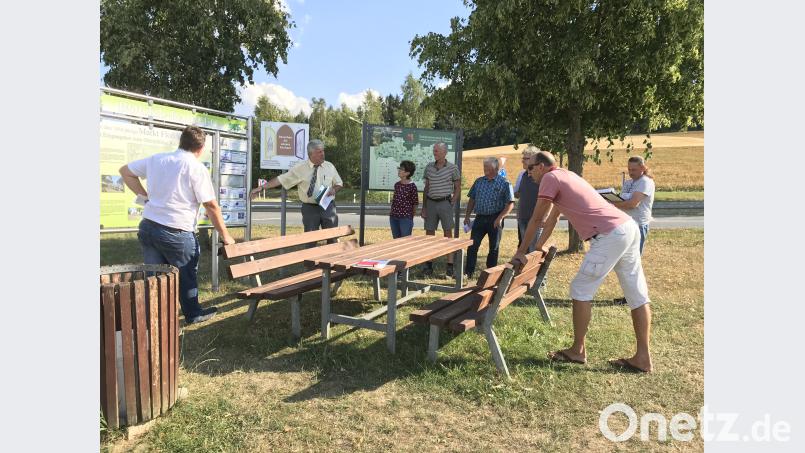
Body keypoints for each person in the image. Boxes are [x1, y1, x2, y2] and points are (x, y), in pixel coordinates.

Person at [512, 151, 653, 373]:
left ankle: (577, 351)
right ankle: (643, 358)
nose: (528, 174)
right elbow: (553, 219)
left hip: (609, 235)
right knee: (636, 294)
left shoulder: (550, 178)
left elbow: (537, 218)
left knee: (580, 289)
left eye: (530, 168)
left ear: (540, 166)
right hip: (627, 228)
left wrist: (520, 251)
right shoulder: (567, 176)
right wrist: (538, 247)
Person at [119, 126, 235, 325]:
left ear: (181, 142)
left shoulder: (157, 159)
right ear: (201, 147)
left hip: (149, 226)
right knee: (186, 273)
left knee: (153, 276)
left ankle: (152, 317)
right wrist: (226, 236)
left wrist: (145, 198)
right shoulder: (196, 167)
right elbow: (210, 205)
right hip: (177, 231)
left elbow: (125, 172)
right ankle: (193, 314)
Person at [250, 140, 343, 234]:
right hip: (310, 208)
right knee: (310, 239)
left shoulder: (329, 166)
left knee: (332, 236)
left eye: (323, 151)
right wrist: (261, 188)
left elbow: (339, 183)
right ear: (311, 154)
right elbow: (281, 179)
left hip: (328, 207)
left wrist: (334, 189)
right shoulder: (300, 168)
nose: (323, 154)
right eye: (319, 152)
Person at [611, 156, 655, 305]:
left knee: (633, 262)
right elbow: (623, 200)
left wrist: (611, 202)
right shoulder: (629, 183)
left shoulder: (645, 183)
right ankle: (629, 297)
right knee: (626, 263)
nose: (631, 172)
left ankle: (636, 298)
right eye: (629, 169)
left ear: (643, 168)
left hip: (638, 225)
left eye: (634, 170)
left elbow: (632, 204)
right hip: (627, 225)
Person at [463, 157, 514, 279]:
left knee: (494, 248)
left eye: (487, 167)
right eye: (484, 166)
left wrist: (500, 218)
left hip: (495, 219)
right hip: (480, 218)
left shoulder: (505, 183)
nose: (484, 169)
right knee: (472, 246)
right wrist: (467, 215)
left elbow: (510, 204)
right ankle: (468, 272)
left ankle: (490, 275)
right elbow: (472, 199)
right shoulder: (479, 181)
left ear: (495, 169)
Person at [421, 142, 461, 276]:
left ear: (444, 152)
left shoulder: (453, 168)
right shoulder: (429, 168)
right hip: (431, 203)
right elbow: (426, 188)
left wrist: (453, 200)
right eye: (434, 150)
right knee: (429, 234)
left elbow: (458, 187)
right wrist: (424, 207)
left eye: (437, 151)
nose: (434, 153)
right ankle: (428, 265)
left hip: (445, 203)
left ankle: (449, 266)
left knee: (448, 234)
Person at [514, 146, 543, 252]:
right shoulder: (522, 174)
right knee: (524, 249)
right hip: (522, 218)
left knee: (533, 251)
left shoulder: (542, 176)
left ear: (533, 160)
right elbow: (517, 194)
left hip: (535, 219)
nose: (522, 160)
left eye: (525, 158)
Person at [389, 160, 418, 238]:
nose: (399, 170)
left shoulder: (412, 186)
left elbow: (415, 203)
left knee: (405, 241)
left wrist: (411, 217)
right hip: (394, 217)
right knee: (396, 240)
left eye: (401, 169)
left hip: (405, 218)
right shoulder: (397, 185)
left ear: (407, 173)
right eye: (399, 168)